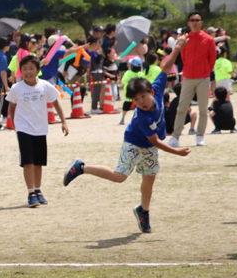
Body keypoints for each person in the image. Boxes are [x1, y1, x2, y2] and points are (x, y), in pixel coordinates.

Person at [63, 43, 186, 233]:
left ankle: (143, 211)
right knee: (119, 176)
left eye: (143, 97)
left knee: (149, 179)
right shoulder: (142, 118)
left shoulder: (158, 89)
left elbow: (167, 66)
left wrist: (177, 48)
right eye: (136, 100)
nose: (140, 102)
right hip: (135, 143)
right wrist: (177, 151)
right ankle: (81, 167)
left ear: (151, 92)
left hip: (150, 147)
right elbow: (155, 142)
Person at [7, 54, 68, 208]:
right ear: (20, 71)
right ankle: (31, 192)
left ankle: (38, 190)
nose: (28, 72)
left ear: (38, 70)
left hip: (40, 128)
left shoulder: (45, 85)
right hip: (23, 128)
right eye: (25, 69)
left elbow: (56, 103)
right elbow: (12, 107)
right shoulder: (16, 88)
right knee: (28, 161)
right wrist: (16, 125)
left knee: (39, 162)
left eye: (31, 69)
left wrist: (64, 122)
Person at [166, 11, 217, 147]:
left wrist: (206, 70)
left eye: (197, 20)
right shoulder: (184, 39)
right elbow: (182, 56)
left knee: (203, 109)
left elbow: (212, 59)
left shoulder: (209, 39)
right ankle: (175, 137)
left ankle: (200, 135)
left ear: (201, 22)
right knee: (181, 107)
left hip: (203, 77)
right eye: (192, 20)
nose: (195, 22)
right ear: (188, 23)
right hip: (187, 77)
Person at [119, 57, 148, 126]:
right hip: (138, 93)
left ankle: (122, 119)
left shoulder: (128, 73)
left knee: (126, 105)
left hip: (128, 92)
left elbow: (123, 81)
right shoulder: (141, 74)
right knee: (139, 105)